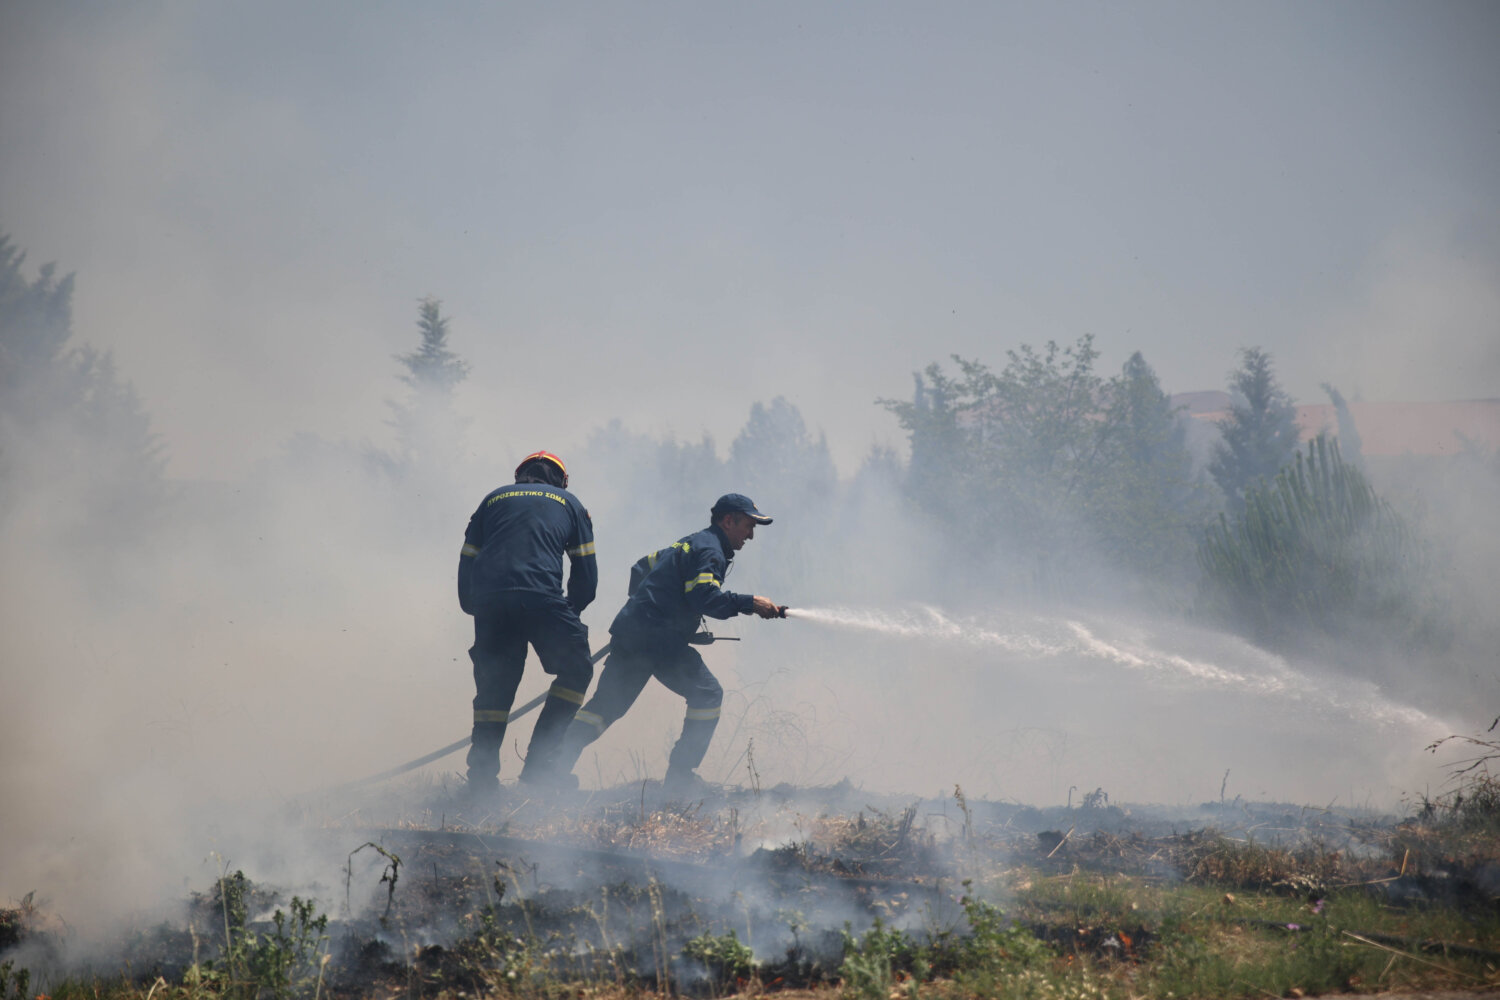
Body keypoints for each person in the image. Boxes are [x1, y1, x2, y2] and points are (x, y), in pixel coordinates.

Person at [556, 493, 784, 795]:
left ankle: (554, 768)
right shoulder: (711, 552)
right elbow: (705, 597)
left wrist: (649, 610)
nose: (751, 535)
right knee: (707, 694)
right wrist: (750, 603)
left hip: (635, 635)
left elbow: (640, 568)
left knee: (606, 707)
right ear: (729, 521)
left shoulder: (689, 543)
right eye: (749, 526)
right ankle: (680, 778)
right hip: (657, 643)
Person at [457, 450, 598, 794]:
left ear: (519, 475)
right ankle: (539, 768)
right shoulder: (570, 502)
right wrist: (569, 613)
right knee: (576, 671)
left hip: (491, 603)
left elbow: (467, 561)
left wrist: (474, 606)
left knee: (494, 688)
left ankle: (481, 781)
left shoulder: (492, 499)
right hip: (541, 598)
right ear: (561, 480)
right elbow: (586, 577)